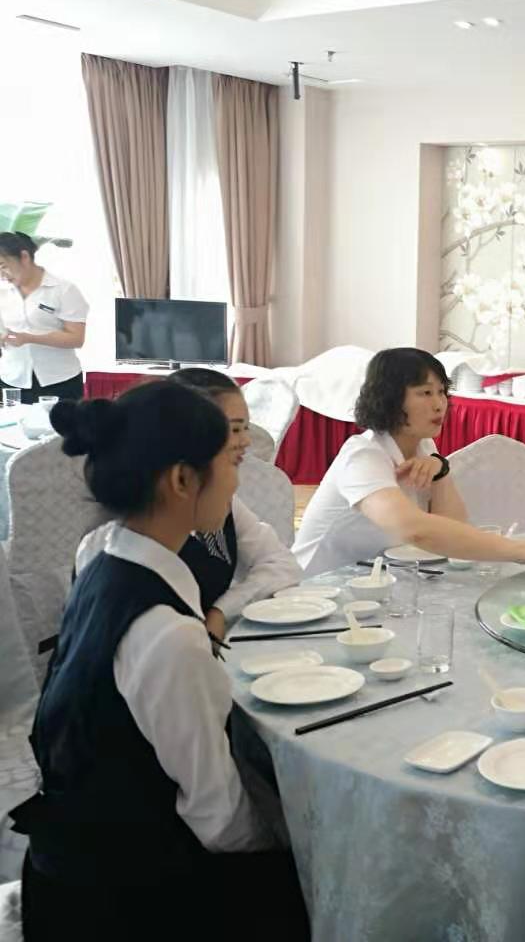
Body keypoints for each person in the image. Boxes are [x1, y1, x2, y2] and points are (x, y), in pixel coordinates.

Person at [9, 383, 308, 939]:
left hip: (73, 857)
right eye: (229, 462)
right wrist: (303, 848)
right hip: (120, 896)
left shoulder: (102, 557)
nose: (238, 480)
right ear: (182, 480)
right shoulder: (169, 635)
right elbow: (220, 821)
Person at [292, 347, 525, 575]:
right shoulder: (363, 456)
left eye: (442, 392)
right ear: (389, 398)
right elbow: (413, 529)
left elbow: (453, 530)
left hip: (372, 580)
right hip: (312, 590)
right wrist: (516, 550)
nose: (439, 404)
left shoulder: (423, 445)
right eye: (425, 393)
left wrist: (441, 472)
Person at [74, 368, 299, 639]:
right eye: (233, 429)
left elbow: (281, 564)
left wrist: (220, 611)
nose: (246, 442)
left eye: (245, 428)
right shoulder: (117, 547)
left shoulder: (213, 506)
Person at [0, 231, 88, 403]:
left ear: (24, 257)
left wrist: (29, 338)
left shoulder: (63, 290)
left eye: (3, 266)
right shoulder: (2, 292)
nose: (2, 274)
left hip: (60, 380)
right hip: (12, 379)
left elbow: (76, 339)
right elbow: (4, 333)